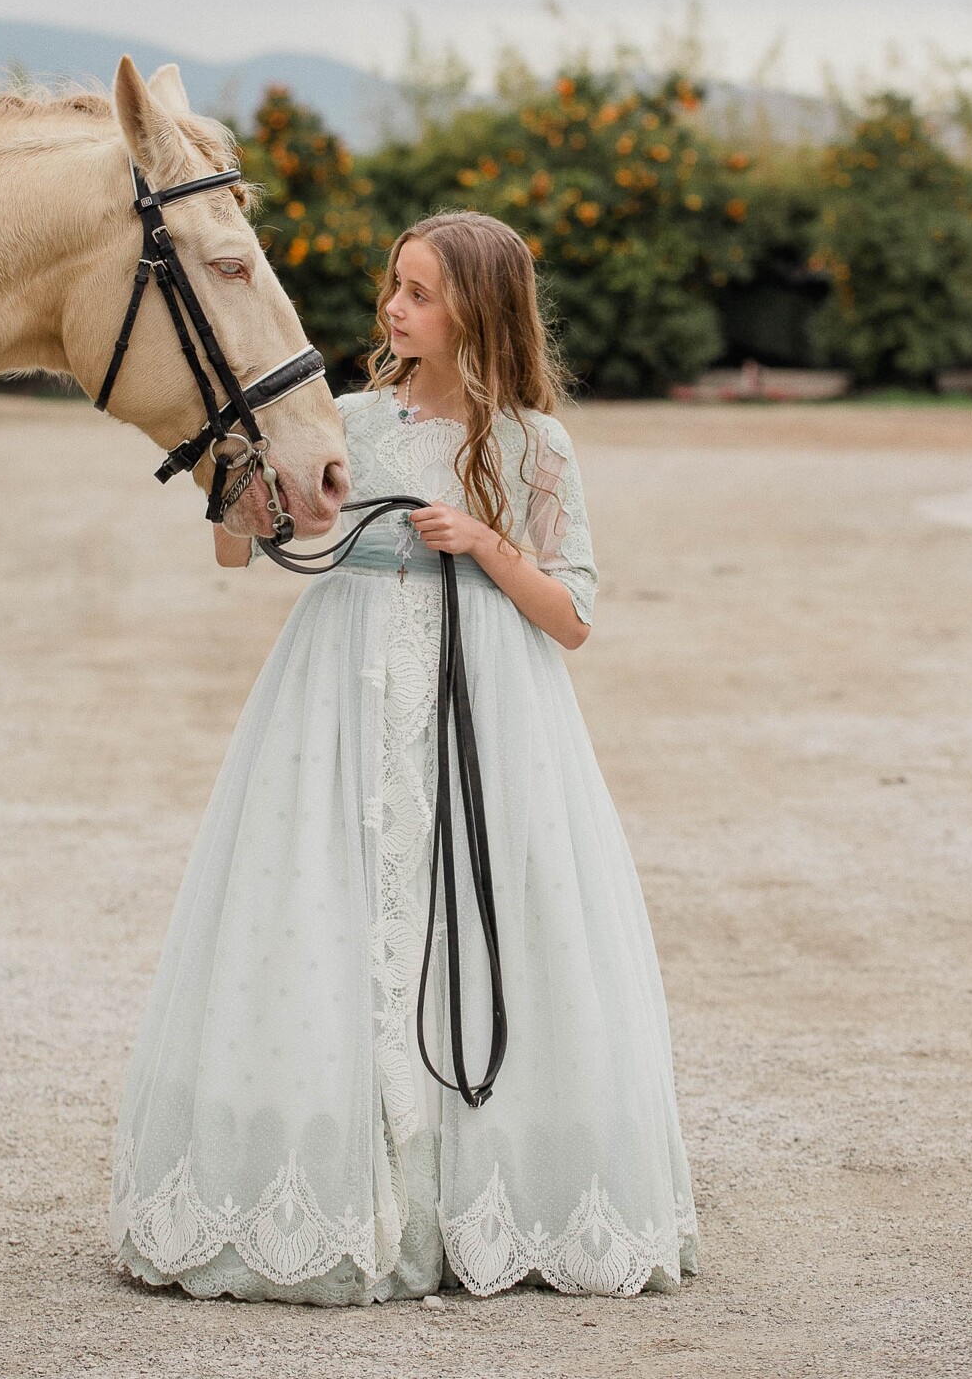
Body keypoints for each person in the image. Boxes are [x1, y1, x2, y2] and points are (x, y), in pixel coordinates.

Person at [108, 210, 698, 1303]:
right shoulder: (346, 417)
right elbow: (247, 547)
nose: (393, 307)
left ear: (476, 307)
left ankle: (485, 1190)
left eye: (418, 290)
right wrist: (234, 494)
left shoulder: (532, 442)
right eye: (394, 285)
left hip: (490, 699)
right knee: (328, 901)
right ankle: (326, 1184)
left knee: (484, 913)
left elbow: (570, 615)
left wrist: (482, 542)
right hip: (337, 688)